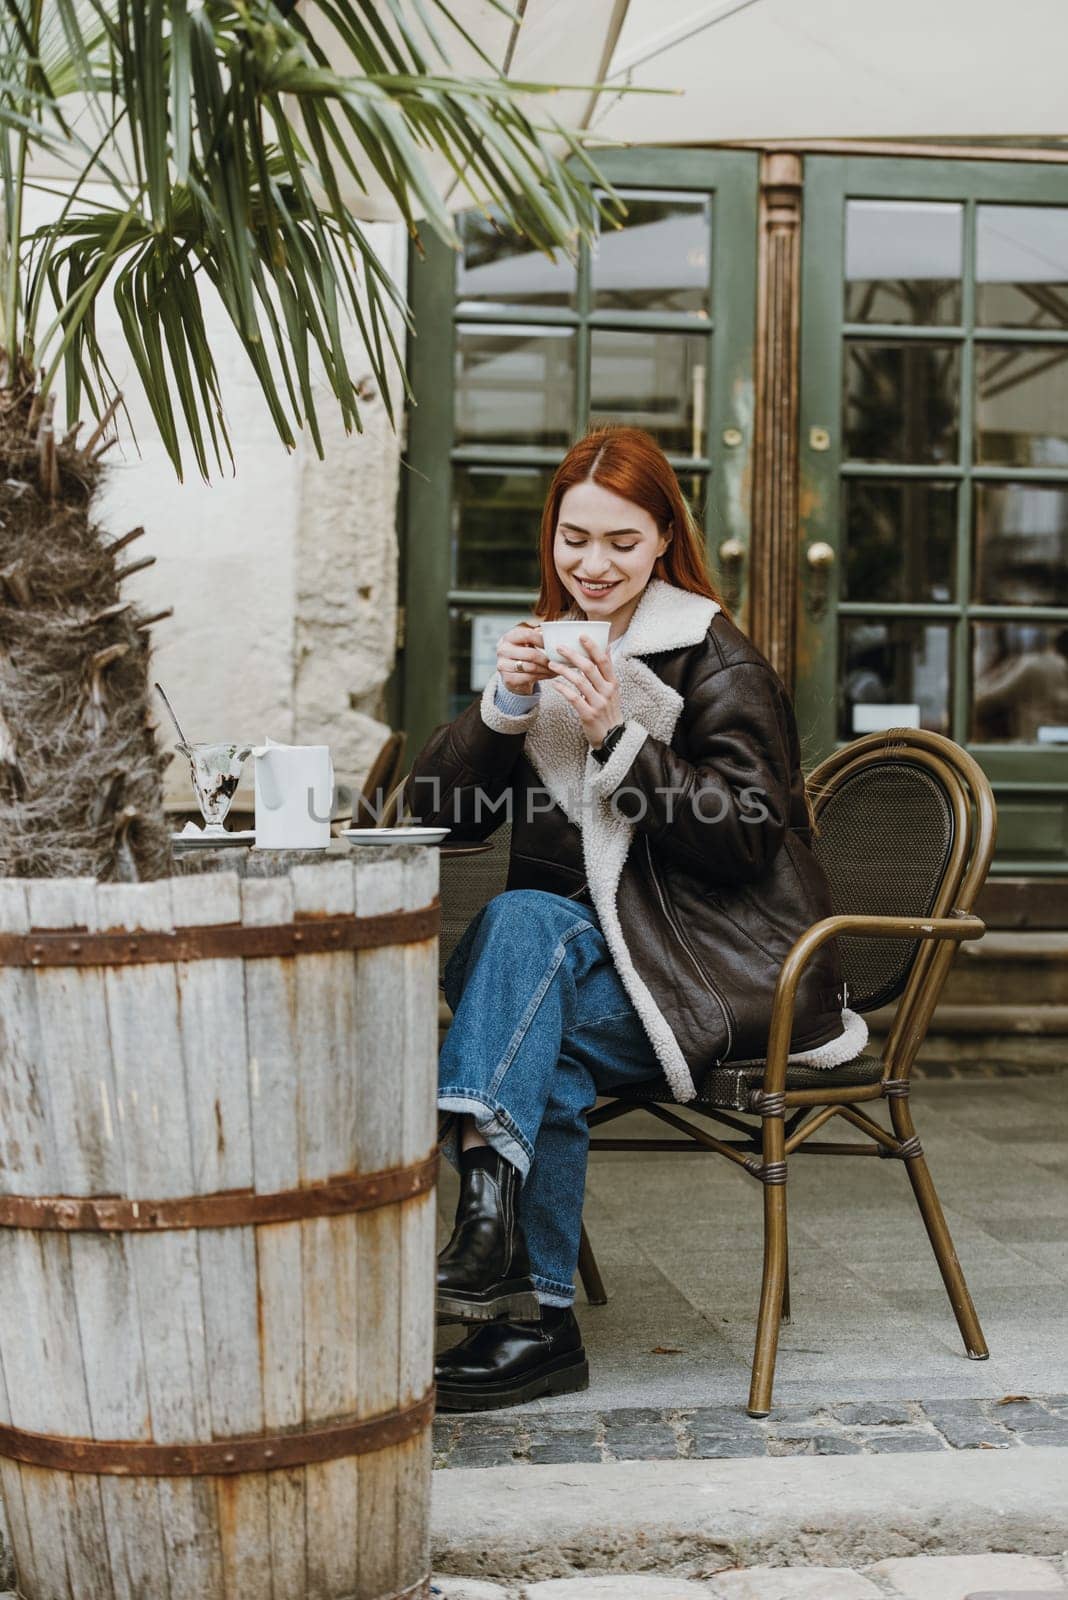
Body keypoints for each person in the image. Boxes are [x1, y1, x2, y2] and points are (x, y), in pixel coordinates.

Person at [407, 425, 867, 1411]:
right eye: (575, 539)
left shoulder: (718, 661)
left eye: (621, 541)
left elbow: (747, 835)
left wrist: (619, 734)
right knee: (542, 1006)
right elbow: (430, 820)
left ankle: (495, 1244)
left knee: (526, 921)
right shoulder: (549, 645)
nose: (592, 563)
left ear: (664, 538)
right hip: (565, 979)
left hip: (701, 972)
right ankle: (534, 1322)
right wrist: (499, 708)